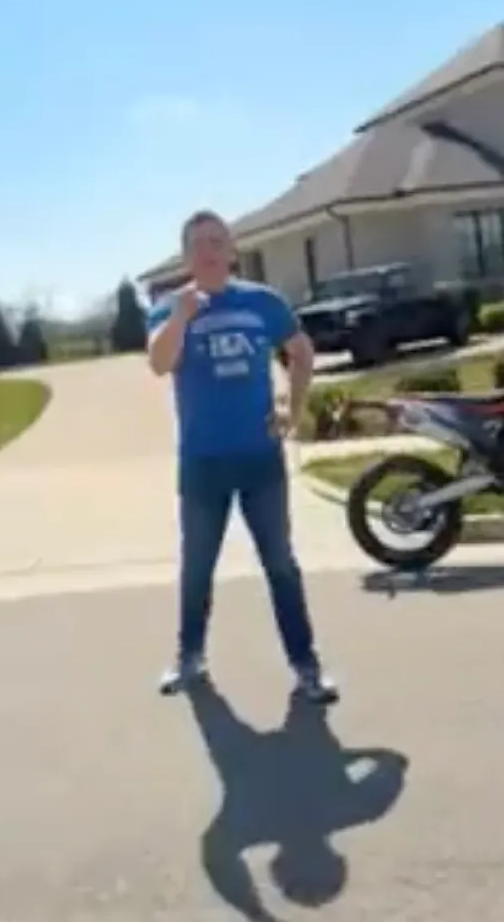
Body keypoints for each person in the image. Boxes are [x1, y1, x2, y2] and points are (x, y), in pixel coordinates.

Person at [147, 209, 338, 703]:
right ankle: (189, 657)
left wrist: (292, 411)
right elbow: (159, 363)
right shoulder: (170, 308)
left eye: (217, 243)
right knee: (197, 567)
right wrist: (183, 316)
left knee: (280, 564)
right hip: (202, 463)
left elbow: (300, 350)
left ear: (232, 251)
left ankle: (306, 666)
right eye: (198, 245)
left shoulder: (263, 303)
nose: (208, 253)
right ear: (186, 256)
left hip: (260, 460)